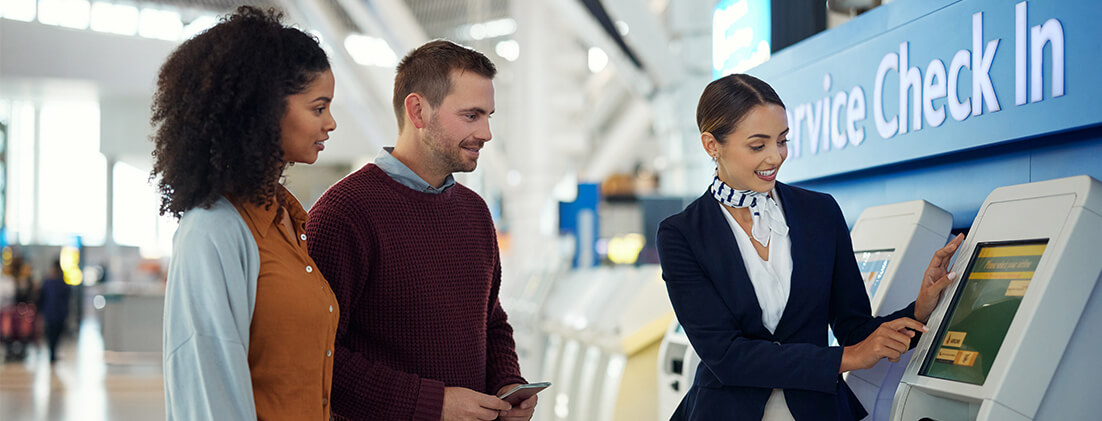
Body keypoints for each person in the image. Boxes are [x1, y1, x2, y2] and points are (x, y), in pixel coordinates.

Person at [656, 73, 964, 421]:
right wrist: (845, 358)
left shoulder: (819, 212)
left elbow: (856, 328)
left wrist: (921, 309)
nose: (775, 157)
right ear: (712, 145)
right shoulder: (681, 234)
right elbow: (727, 357)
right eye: (758, 146)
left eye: (782, 141)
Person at [306, 40, 536, 421]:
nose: (487, 133)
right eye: (471, 115)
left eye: (488, 116)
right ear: (418, 110)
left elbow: (490, 319)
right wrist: (434, 403)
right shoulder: (343, 214)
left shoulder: (474, 212)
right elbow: (317, 357)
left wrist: (507, 383)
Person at [153, 6, 339, 420]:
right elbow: (209, 392)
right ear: (265, 109)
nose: (331, 123)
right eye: (318, 107)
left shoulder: (290, 224)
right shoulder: (213, 230)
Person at [37, 259, 70, 363]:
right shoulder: (50, 283)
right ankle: (52, 354)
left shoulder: (58, 283)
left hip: (56, 313)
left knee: (55, 334)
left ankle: (53, 353)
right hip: (54, 313)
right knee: (52, 335)